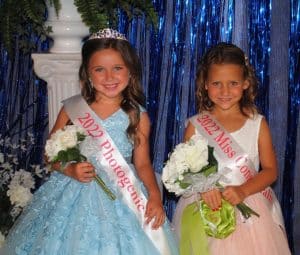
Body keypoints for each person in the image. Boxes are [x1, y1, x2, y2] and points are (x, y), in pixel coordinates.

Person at [2, 28, 178, 255]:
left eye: (117, 68)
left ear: (130, 72)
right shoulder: (72, 108)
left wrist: (154, 197)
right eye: (99, 70)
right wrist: (70, 169)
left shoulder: (137, 115)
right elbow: (50, 155)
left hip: (123, 194)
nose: (109, 77)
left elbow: (143, 163)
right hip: (74, 191)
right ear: (87, 74)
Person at [172, 43, 291, 255]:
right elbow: (184, 170)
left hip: (249, 207)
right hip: (206, 207)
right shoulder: (196, 125)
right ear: (205, 84)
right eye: (216, 83)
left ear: (246, 83)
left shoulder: (257, 123)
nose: (224, 91)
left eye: (233, 83)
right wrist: (203, 188)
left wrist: (243, 190)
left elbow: (271, 171)